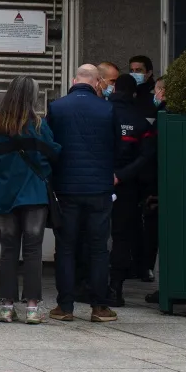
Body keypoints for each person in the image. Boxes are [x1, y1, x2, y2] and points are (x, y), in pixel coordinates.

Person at [45, 63, 118, 323]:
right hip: (99, 188)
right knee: (98, 249)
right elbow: (117, 146)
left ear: (74, 80)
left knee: (66, 248)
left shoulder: (56, 107)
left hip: (66, 189)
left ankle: (65, 306)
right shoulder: (108, 108)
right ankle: (99, 307)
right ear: (97, 83)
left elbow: (50, 146)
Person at [0, 76, 59, 323]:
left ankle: (6, 306)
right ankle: (31, 308)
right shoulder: (39, 126)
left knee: (8, 249)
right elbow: (53, 154)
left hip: (5, 194)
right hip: (34, 194)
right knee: (33, 250)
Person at [106, 72, 157, 304]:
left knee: (93, 235)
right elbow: (146, 157)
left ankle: (92, 285)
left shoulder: (102, 112)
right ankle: (115, 289)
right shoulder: (140, 121)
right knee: (121, 237)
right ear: (134, 94)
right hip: (126, 187)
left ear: (114, 89)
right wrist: (121, 176)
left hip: (97, 183)